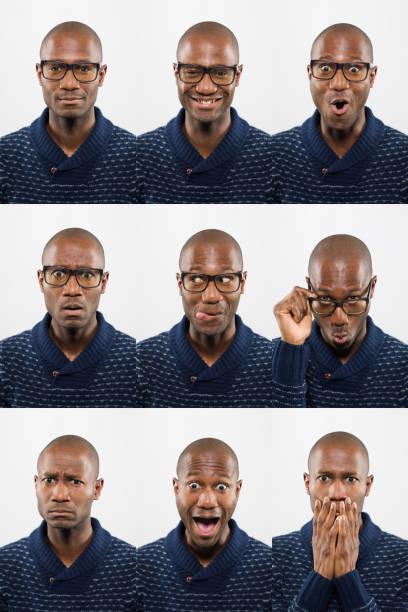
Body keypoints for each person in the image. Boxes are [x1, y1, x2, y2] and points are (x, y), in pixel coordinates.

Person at [136, 229, 309, 407]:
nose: (211, 296)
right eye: (196, 279)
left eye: (225, 280)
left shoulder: (277, 360)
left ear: (242, 283)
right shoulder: (142, 359)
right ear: (180, 285)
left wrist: (292, 348)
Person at [136, 21, 275, 203]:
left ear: (238, 75)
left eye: (220, 73)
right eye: (192, 72)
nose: (206, 88)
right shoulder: (139, 156)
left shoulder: (273, 158)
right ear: (176, 74)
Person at [269, 23, 408, 203]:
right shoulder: (274, 156)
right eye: (325, 69)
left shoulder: (403, 157)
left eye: (354, 69)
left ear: (372, 76)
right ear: (310, 74)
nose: (339, 84)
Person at [0, 21, 137, 203]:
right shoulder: (5, 156)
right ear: (40, 74)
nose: (69, 84)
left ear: (101, 75)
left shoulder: (137, 158)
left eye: (83, 69)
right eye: (56, 68)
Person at [272, 431, 408, 610]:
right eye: (324, 478)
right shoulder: (275, 555)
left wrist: (348, 576)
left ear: (367, 485)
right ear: (307, 483)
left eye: (351, 479)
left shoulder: (403, 558)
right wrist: (320, 575)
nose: (336, 494)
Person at [0, 228, 136, 407]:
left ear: (103, 282)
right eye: (58, 274)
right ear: (41, 280)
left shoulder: (136, 360)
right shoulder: (6, 359)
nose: (72, 290)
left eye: (87, 275)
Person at [0, 435, 137, 611]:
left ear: (96, 489)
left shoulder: (134, 568)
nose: (59, 495)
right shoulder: (5, 566)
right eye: (49, 480)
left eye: (75, 481)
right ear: (36, 484)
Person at [136, 437, 271, 611]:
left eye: (221, 487)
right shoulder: (141, 566)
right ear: (177, 489)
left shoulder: (268, 565)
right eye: (193, 485)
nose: (207, 501)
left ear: (237, 491)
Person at [273, 234, 408, 406]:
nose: (339, 319)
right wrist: (291, 349)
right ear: (309, 288)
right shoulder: (273, 356)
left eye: (352, 299)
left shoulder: (403, 365)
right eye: (325, 299)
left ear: (371, 287)